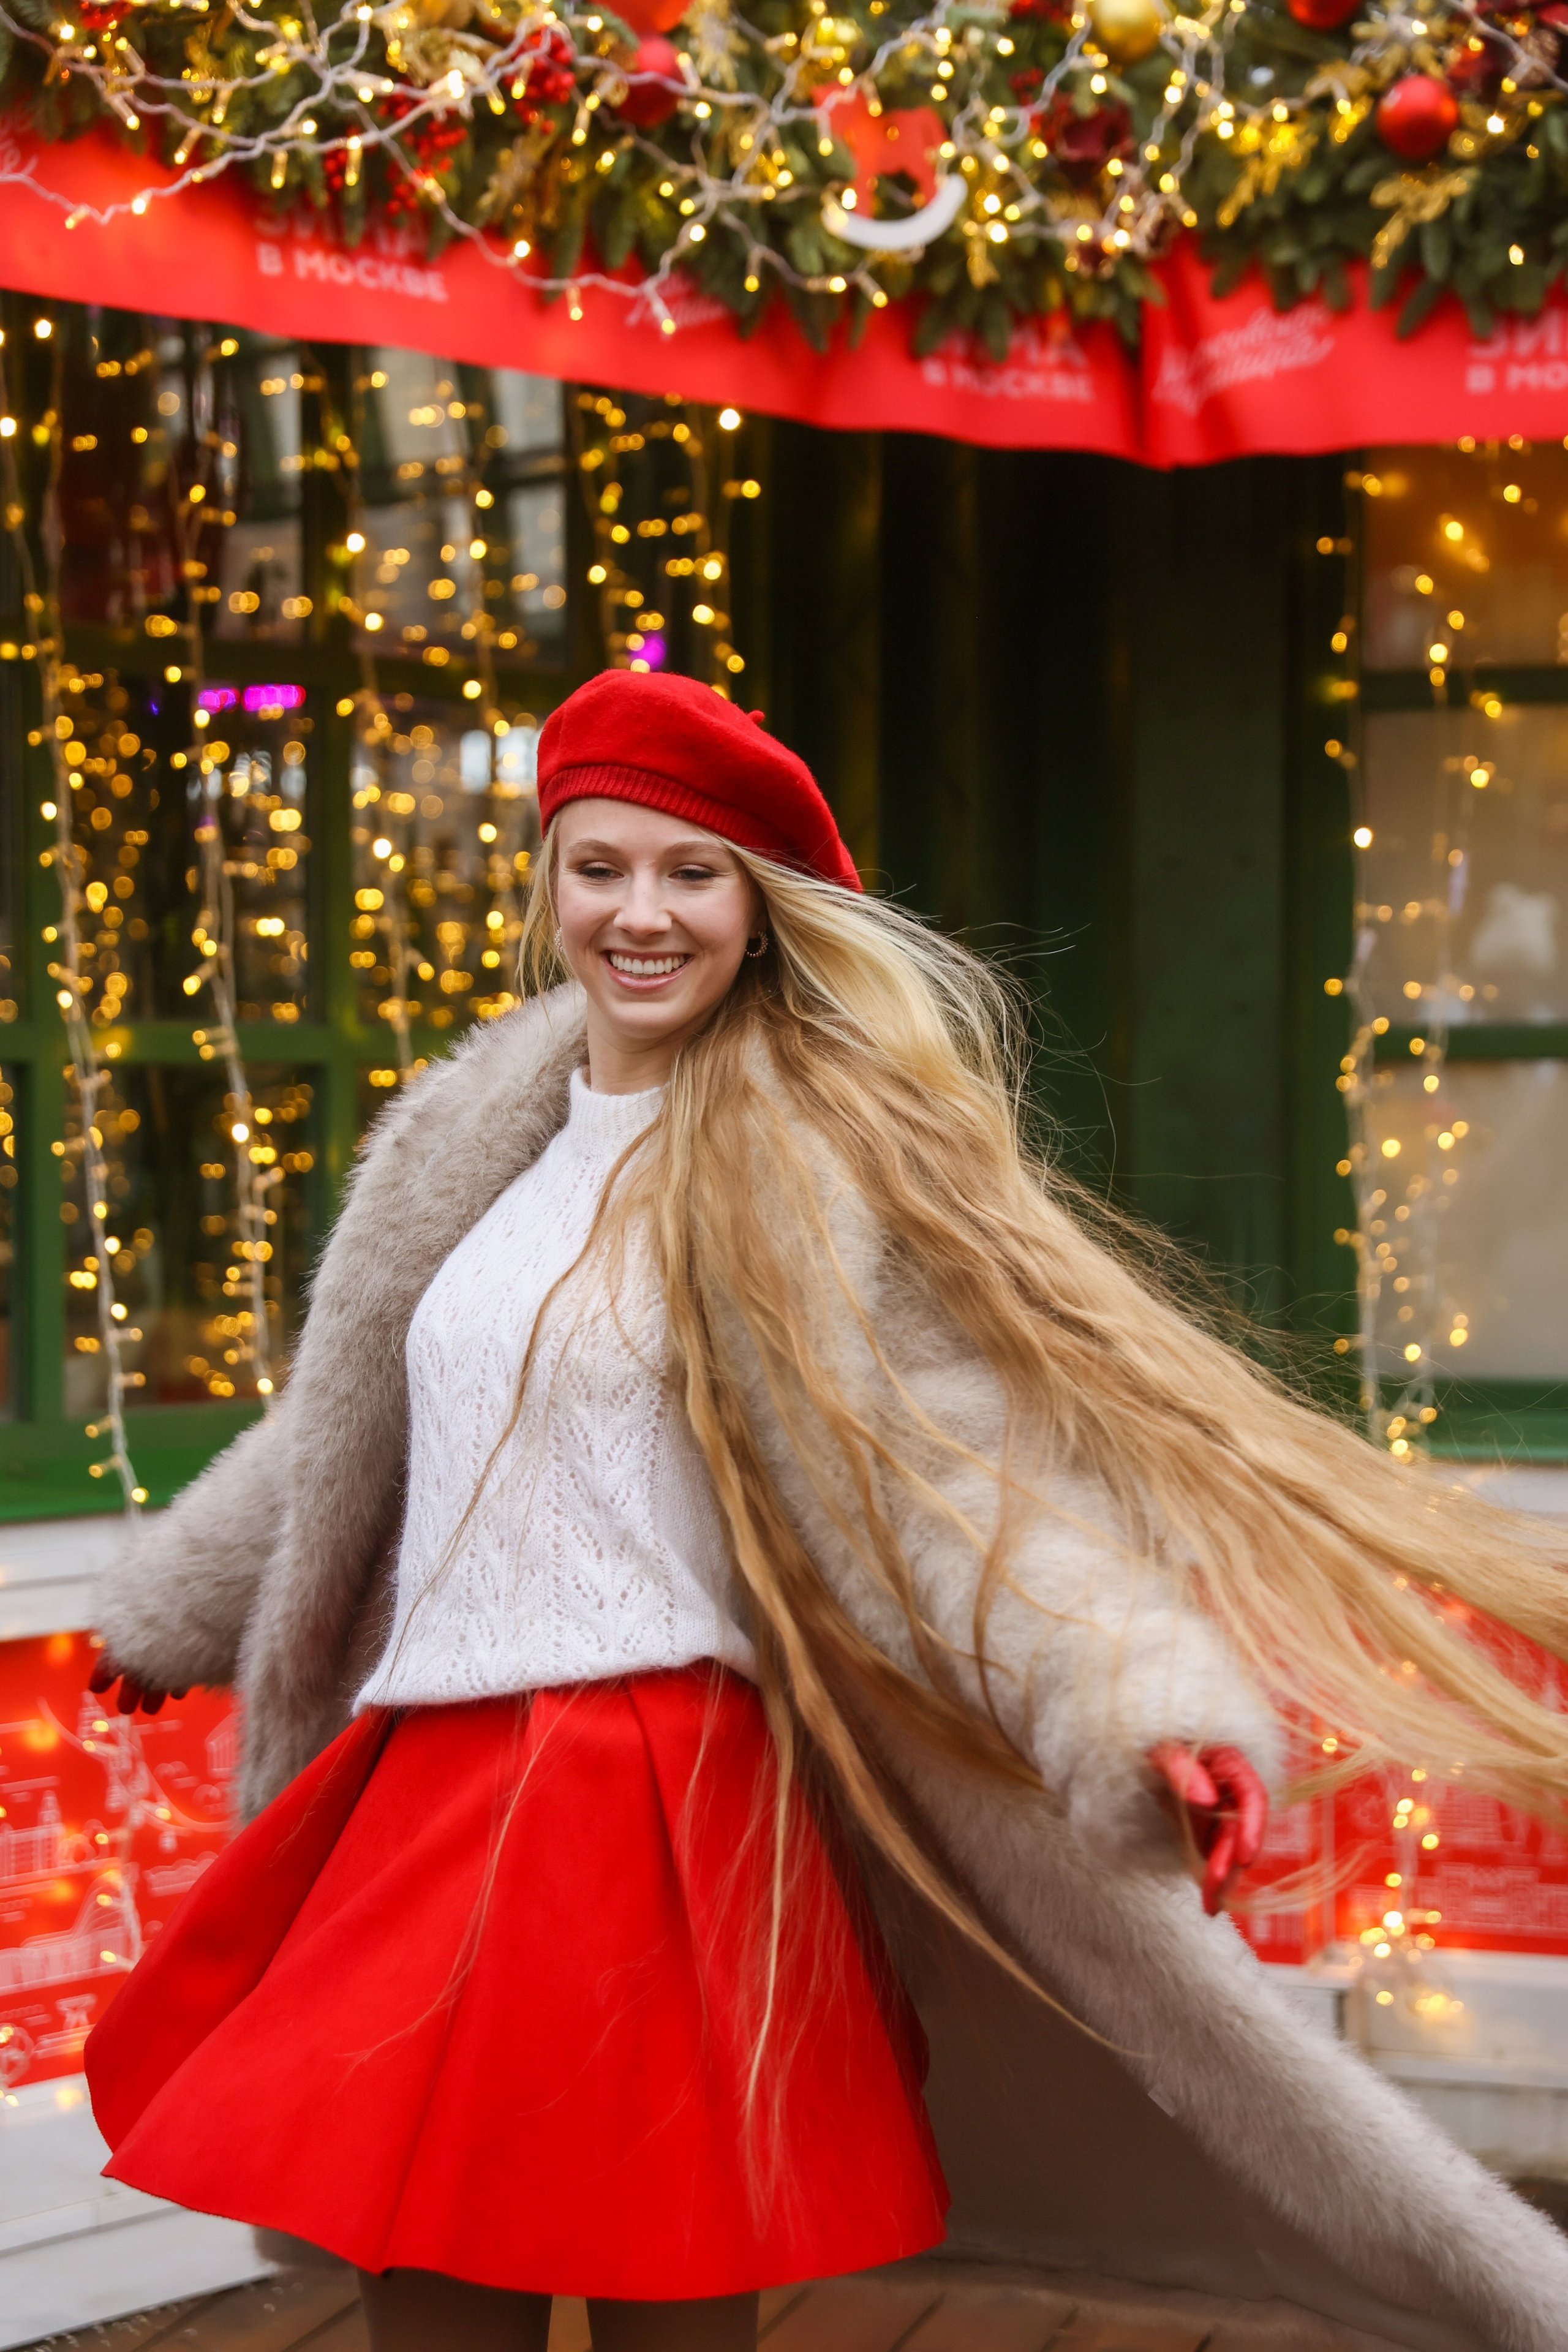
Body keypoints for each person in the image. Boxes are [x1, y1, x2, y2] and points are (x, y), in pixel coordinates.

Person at [86, 670, 1568, 2352]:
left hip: (659, 1794)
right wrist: (182, 1599)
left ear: (762, 907)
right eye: (601, 865)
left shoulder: (815, 1158)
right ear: (548, 881)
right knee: (422, 2273)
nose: (640, 914)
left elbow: (964, 1484)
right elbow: (382, 1411)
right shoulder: (473, 1130)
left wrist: (1138, 1710)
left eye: (692, 872)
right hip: (427, 1788)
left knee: (671, 2283)